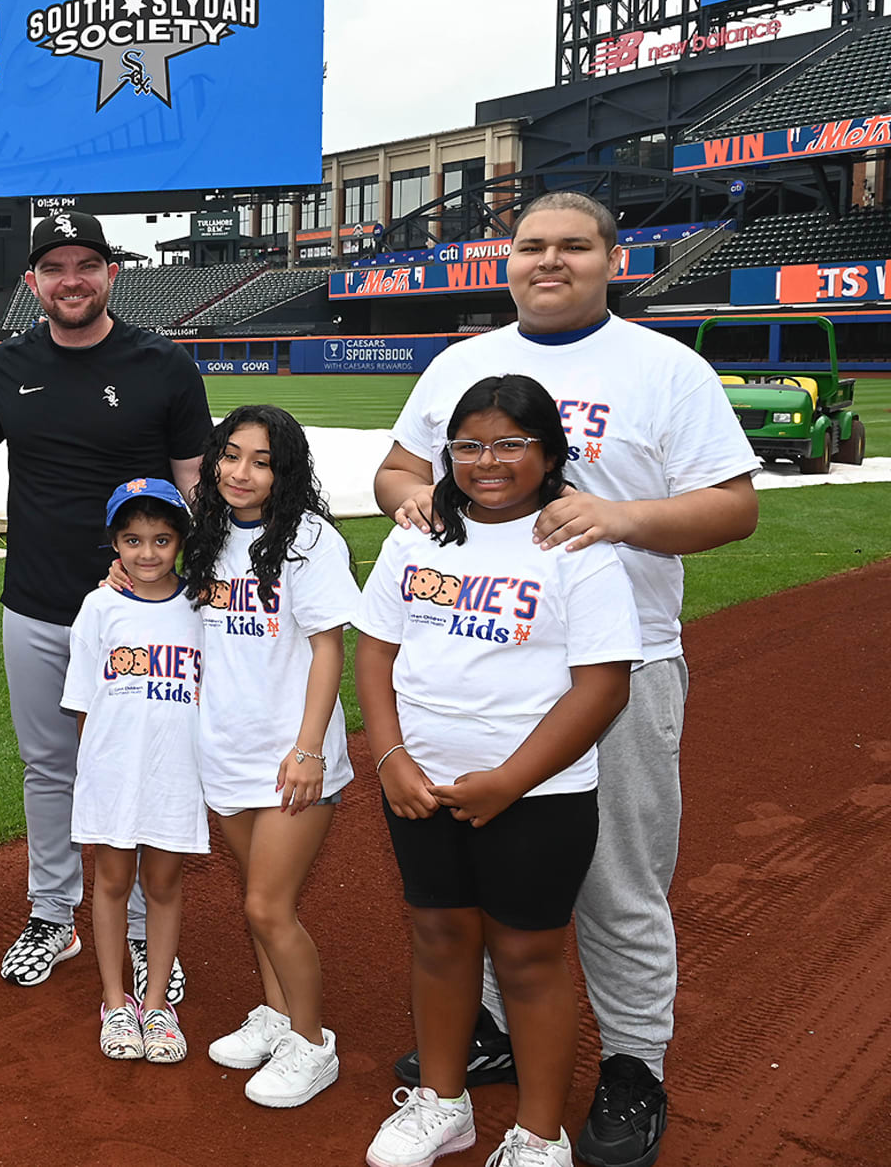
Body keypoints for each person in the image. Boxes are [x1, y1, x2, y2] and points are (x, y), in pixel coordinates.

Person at [374, 191, 758, 1167]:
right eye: (533, 245)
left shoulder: (665, 367)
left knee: (616, 883)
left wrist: (613, 516)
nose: (551, 260)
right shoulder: (464, 364)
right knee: (481, 867)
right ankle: (493, 1030)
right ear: (508, 260)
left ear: (610, 259)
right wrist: (417, 496)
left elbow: (733, 508)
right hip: (476, 656)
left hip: (613, 656)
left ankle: (633, 1063)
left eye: (574, 246)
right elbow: (397, 473)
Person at [0, 212, 211, 999]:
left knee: (151, 762)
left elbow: (196, 481)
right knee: (49, 768)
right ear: (33, 284)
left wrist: (209, 572)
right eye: (55, 267)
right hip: (39, 602)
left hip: (143, 609)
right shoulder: (12, 363)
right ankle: (54, 914)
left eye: (87, 263)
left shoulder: (163, 364)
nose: (72, 279)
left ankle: (153, 934)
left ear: (112, 273)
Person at [359, 374, 642, 1167]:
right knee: (440, 937)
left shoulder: (577, 547)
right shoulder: (419, 533)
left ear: (550, 453)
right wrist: (388, 757)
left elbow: (603, 686)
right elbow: (376, 652)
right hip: (419, 783)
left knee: (526, 957)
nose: (488, 461)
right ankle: (444, 1104)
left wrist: (510, 781)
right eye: (469, 445)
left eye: (511, 443)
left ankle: (539, 1133)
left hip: (537, 794)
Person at [181, 406, 354, 1106]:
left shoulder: (310, 540)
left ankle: (312, 1044)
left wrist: (308, 749)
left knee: (267, 904)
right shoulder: (207, 534)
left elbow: (328, 648)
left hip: (291, 755)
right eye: (230, 455)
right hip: (225, 747)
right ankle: (278, 1016)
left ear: (283, 472)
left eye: (260, 460)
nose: (240, 472)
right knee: (257, 903)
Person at [63, 479, 203, 1063]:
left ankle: (156, 1005)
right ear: (115, 544)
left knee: (165, 887)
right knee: (114, 884)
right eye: (133, 540)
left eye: (162, 539)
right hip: (114, 772)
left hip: (176, 771)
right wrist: (98, 768)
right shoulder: (99, 606)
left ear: (181, 542)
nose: (147, 553)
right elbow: (82, 703)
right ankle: (115, 1000)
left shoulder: (201, 604)